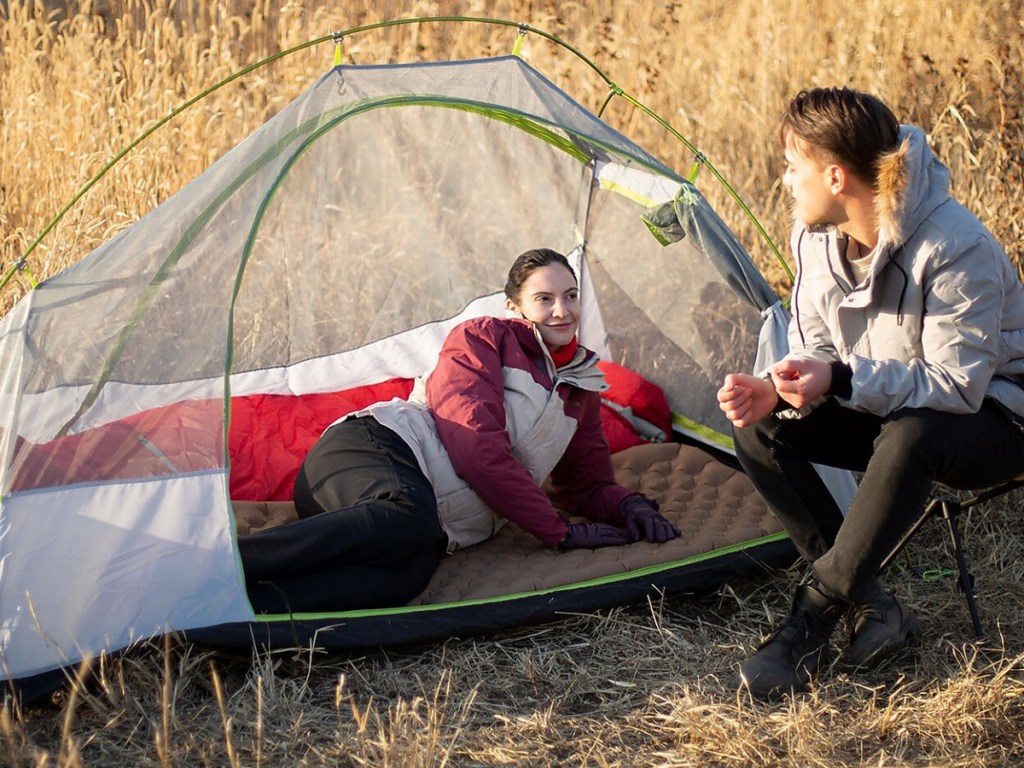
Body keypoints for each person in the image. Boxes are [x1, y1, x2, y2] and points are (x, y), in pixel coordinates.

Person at [717, 87, 1024, 699]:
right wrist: (781, 384)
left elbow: (957, 388)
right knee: (759, 422)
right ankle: (874, 603)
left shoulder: (955, 245)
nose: (785, 181)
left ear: (835, 176)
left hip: (997, 416)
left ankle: (811, 620)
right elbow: (818, 346)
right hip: (889, 406)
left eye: (791, 166)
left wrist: (844, 379)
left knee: (915, 433)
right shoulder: (815, 236)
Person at [239, 248, 679, 613]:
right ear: (515, 307)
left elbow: (586, 486)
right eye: (544, 299)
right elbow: (475, 446)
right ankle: (229, 564)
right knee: (407, 517)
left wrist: (629, 507)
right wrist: (558, 531)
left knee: (404, 579)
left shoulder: (582, 388)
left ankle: (245, 608)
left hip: (421, 521)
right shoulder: (483, 338)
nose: (561, 311)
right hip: (374, 451)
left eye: (571, 296)